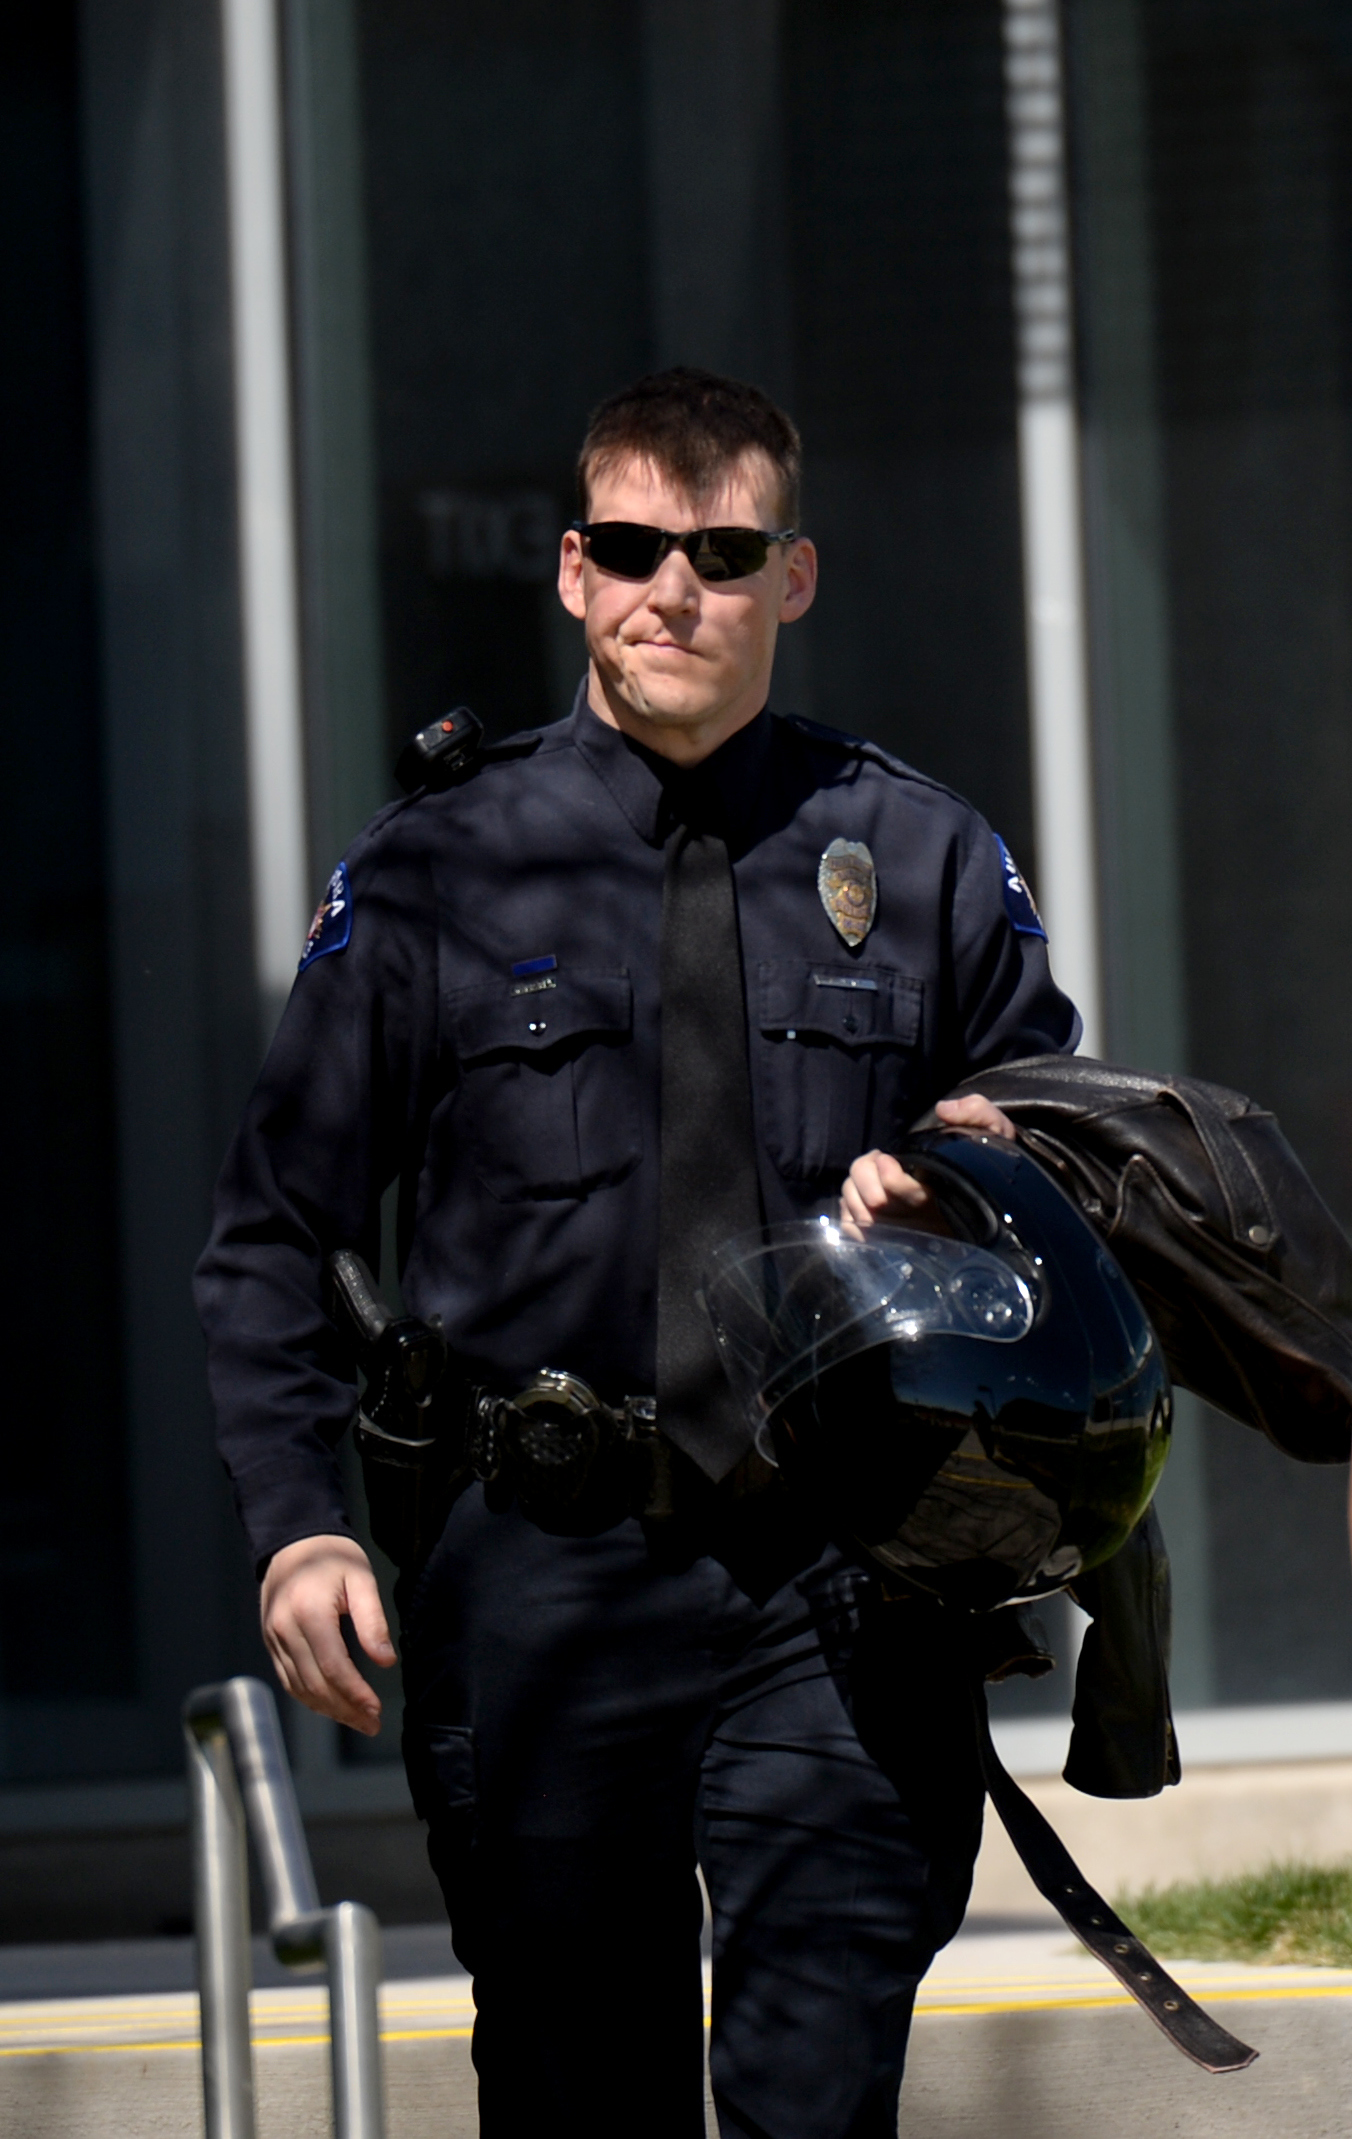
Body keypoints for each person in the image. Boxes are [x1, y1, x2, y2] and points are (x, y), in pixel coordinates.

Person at [195, 367, 1079, 2138]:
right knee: (571, 2093)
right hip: (542, 1576)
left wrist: (981, 1172)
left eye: (725, 548)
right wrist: (296, 1524)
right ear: (573, 571)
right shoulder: (441, 870)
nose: (678, 588)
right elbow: (274, 1229)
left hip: (837, 1581)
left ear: (793, 578)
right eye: (634, 546)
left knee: (817, 2102)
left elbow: (1057, 1161)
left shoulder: (918, 856)